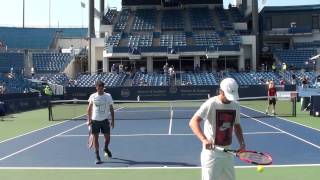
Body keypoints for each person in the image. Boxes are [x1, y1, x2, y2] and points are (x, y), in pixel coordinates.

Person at [189, 78, 246, 180]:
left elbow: (236, 125)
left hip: (228, 154)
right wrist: (204, 139)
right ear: (221, 91)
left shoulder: (236, 105)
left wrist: (242, 143)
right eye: (228, 96)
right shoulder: (211, 103)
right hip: (212, 155)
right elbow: (193, 122)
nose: (230, 99)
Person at [87, 80, 115, 164]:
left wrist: (113, 121)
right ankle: (97, 156)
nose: (100, 90)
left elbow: (111, 109)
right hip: (95, 121)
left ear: (103, 88)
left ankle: (105, 148)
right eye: (99, 88)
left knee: (107, 138)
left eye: (102, 88)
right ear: (96, 88)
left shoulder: (108, 96)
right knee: (96, 138)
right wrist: (89, 120)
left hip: (105, 120)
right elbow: (89, 109)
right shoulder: (92, 96)